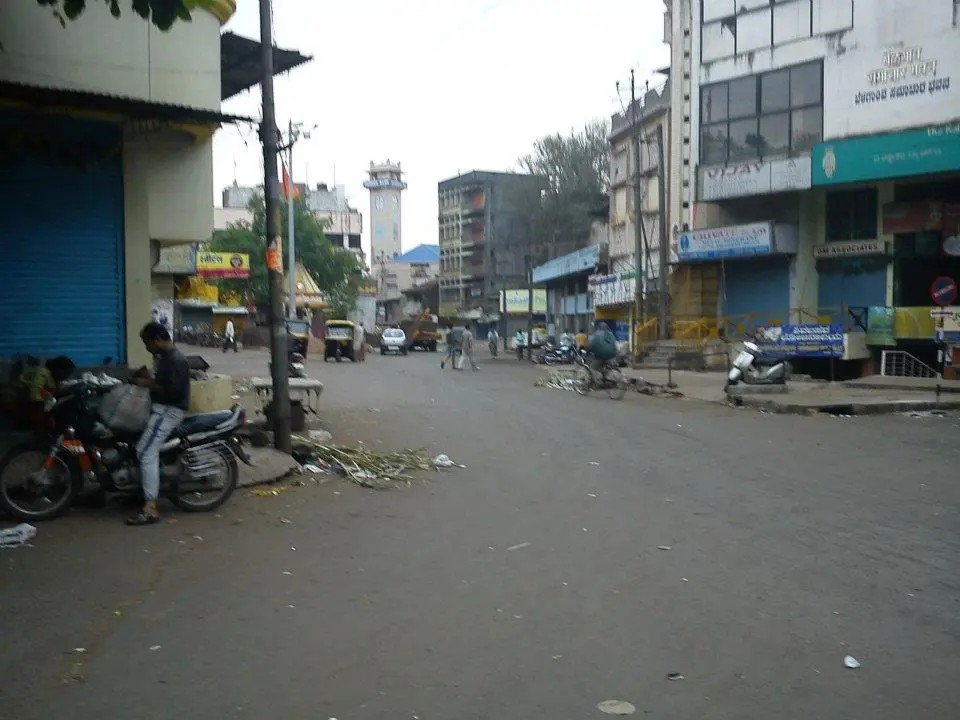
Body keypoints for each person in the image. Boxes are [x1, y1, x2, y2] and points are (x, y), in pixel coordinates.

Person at [128, 322, 191, 526]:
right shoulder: (164, 358)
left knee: (145, 452)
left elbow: (174, 392)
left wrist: (149, 384)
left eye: (147, 343)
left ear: (156, 339)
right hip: (161, 409)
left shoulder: (176, 360)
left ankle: (150, 508)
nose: (146, 347)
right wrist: (148, 379)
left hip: (170, 411)